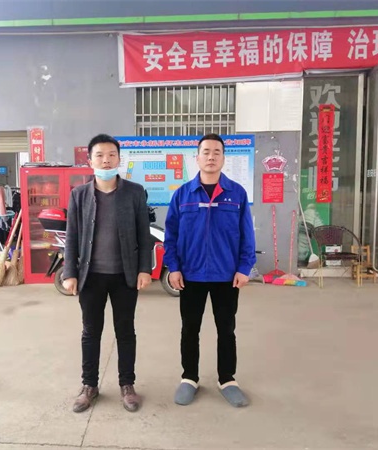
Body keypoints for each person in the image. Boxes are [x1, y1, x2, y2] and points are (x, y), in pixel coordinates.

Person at [163, 133, 256, 408]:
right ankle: (189, 377)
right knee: (190, 329)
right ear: (197, 157)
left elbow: (246, 235)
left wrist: (244, 267)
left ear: (224, 158)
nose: (211, 156)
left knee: (226, 329)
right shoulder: (182, 195)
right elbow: (171, 235)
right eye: (206, 152)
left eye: (217, 152)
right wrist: (173, 268)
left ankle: (227, 379)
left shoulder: (237, 194)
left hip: (226, 276)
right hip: (190, 275)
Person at [62, 133, 152, 413]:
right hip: (91, 276)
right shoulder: (79, 195)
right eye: (99, 155)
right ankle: (89, 385)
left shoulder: (135, 192)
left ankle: (127, 385)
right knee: (91, 331)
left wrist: (144, 269)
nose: (106, 160)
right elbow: (72, 236)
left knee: (125, 331)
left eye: (112, 155)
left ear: (119, 159)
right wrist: (69, 272)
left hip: (125, 275)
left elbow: (144, 235)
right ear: (90, 161)